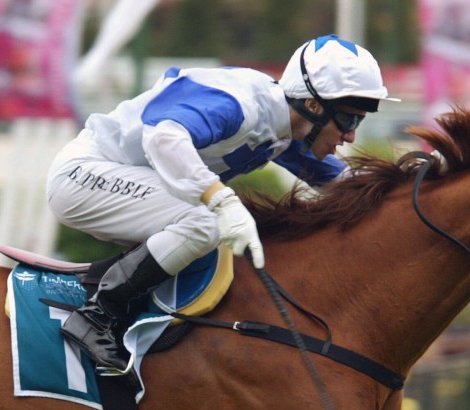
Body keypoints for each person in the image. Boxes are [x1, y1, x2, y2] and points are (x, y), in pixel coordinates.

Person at [46, 34, 399, 375]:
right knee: (205, 222)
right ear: (313, 105)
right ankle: (97, 315)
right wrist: (220, 198)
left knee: (207, 226)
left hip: (119, 180)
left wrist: (413, 182)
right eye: (349, 119)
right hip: (84, 175)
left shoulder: (285, 125)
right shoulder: (241, 105)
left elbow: (341, 184)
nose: (351, 136)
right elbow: (163, 137)